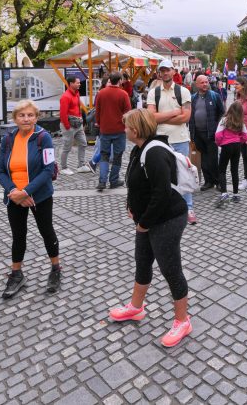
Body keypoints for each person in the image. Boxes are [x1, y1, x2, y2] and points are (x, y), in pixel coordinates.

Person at [108, 109, 192, 348]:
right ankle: (136, 307)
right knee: (143, 261)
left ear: (135, 130)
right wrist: (131, 206)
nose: (124, 130)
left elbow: (161, 194)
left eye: (126, 126)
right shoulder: (140, 148)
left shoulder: (154, 152)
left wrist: (144, 223)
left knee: (170, 269)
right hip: (148, 219)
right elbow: (135, 182)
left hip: (167, 219)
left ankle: (183, 321)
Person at [0, 100, 61, 298]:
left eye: (30, 115)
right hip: (14, 196)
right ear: (15, 118)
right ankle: (16, 274)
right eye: (21, 115)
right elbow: (0, 171)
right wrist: (14, 191)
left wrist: (26, 192)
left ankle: (56, 268)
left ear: (36, 117)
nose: (26, 119)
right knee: (18, 235)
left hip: (39, 195)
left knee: (46, 231)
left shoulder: (43, 137)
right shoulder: (8, 139)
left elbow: (48, 170)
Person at [147, 60, 196, 223]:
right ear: (159, 73)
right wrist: (174, 113)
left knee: (184, 174)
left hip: (180, 139)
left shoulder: (183, 91)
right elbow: (151, 117)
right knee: (162, 176)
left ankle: (188, 207)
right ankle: (166, 207)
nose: (165, 73)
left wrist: (162, 118)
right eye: (162, 71)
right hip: (161, 140)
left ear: (174, 71)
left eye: (167, 70)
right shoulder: (153, 93)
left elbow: (186, 117)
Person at [94, 71, 131, 191]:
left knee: (104, 155)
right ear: (120, 81)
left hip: (105, 129)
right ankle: (114, 180)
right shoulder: (123, 94)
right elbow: (128, 113)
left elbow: (97, 111)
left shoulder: (101, 93)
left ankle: (102, 181)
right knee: (117, 155)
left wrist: (100, 124)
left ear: (110, 79)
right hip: (119, 130)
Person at [189, 75, 224, 191]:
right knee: (203, 159)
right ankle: (208, 181)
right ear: (197, 84)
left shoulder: (214, 96)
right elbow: (191, 115)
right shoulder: (193, 98)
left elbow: (222, 112)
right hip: (198, 133)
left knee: (213, 159)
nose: (205, 84)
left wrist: (218, 127)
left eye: (206, 82)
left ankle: (218, 181)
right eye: (202, 82)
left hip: (211, 133)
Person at [214, 101, 247, 207]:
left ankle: (224, 193)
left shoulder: (224, 120)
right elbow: (245, 136)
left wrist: (219, 144)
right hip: (237, 146)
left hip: (226, 146)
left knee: (222, 170)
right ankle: (236, 194)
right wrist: (239, 141)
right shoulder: (241, 122)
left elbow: (218, 135)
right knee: (234, 170)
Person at [59, 76, 89, 175]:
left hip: (78, 124)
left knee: (83, 143)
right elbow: (63, 113)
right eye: (77, 82)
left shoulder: (77, 93)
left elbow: (78, 108)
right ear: (71, 84)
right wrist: (67, 126)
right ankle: (63, 168)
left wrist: (80, 119)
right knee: (67, 147)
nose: (79, 84)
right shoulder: (65, 96)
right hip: (69, 126)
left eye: (79, 82)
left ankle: (81, 166)